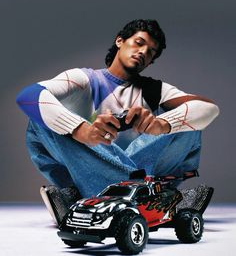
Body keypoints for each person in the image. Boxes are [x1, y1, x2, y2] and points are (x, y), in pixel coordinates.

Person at [16, 19, 219, 225]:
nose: (143, 52)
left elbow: (208, 108)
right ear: (120, 41)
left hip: (142, 173)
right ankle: (162, 202)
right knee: (40, 120)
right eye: (139, 42)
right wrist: (80, 129)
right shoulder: (84, 78)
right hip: (90, 167)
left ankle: (78, 202)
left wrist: (162, 123)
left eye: (151, 52)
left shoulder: (156, 90)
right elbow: (29, 96)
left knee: (190, 120)